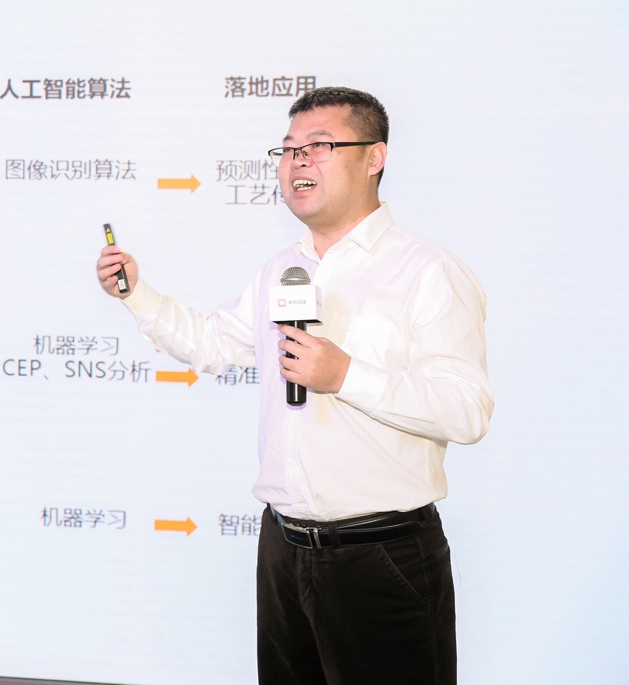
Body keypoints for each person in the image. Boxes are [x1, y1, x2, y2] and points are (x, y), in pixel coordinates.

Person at [96, 86, 493, 685]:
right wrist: (137, 294)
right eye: (287, 150)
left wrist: (346, 375)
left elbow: (466, 410)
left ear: (374, 157)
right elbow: (213, 345)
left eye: (319, 145)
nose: (297, 161)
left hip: (380, 554)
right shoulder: (281, 270)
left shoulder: (427, 271)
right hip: (283, 549)